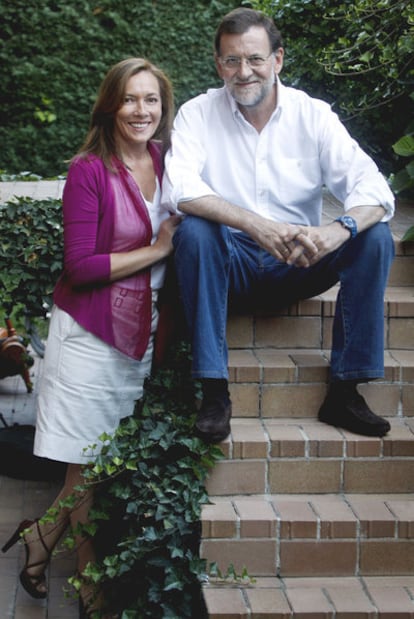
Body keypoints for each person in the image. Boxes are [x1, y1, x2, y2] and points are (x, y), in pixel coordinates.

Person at [162, 7, 395, 444]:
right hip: (230, 265)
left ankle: (345, 391)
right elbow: (181, 189)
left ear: (278, 60)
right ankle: (213, 391)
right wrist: (254, 225)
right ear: (219, 65)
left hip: (299, 261)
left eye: (254, 58)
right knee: (194, 230)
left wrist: (336, 230)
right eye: (231, 60)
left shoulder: (313, 115)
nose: (243, 71)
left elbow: (375, 190)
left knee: (374, 237)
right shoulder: (198, 113)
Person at [2, 57, 180, 617]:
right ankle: (89, 587)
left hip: (141, 334)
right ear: (110, 104)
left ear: (163, 107)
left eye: (151, 99)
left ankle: (41, 539)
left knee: (98, 466)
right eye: (130, 99)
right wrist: (156, 250)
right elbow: (79, 267)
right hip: (89, 335)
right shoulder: (89, 169)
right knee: (86, 462)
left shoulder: (168, 160)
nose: (141, 110)